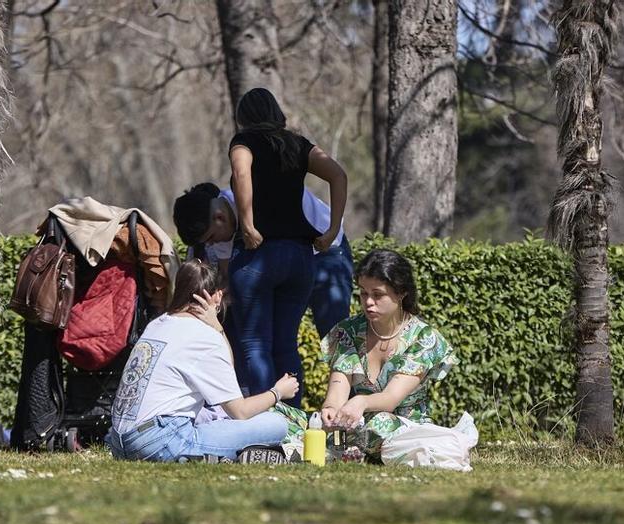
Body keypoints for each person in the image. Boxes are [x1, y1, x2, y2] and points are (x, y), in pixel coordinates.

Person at [225, 88, 348, 406]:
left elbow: (241, 172)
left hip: (257, 255)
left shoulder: (244, 142)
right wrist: (332, 229)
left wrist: (248, 224)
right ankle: (290, 423)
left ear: (244, 117)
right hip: (299, 256)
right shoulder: (297, 144)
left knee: (254, 343)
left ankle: (263, 420)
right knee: (285, 345)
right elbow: (338, 174)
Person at [104, 259, 298, 462]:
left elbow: (224, 379)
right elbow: (240, 411)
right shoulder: (205, 337)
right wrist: (277, 392)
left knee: (214, 412)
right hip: (161, 441)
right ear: (218, 295)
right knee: (276, 424)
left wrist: (217, 329)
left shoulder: (157, 324)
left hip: (120, 441)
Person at [314, 249, 457, 459]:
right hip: (357, 423)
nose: (368, 301)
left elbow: (391, 399)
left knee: (381, 422)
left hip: (401, 428)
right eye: (363, 293)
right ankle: (343, 447)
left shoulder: (423, 338)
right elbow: (339, 387)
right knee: (284, 414)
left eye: (378, 294)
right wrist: (331, 409)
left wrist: (361, 402)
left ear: (400, 293)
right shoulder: (348, 331)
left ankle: (342, 448)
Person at [172, 181, 354, 339]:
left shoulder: (255, 197)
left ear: (220, 217)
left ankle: (354, 379)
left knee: (335, 334)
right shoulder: (223, 225)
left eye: (211, 237)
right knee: (281, 340)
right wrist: (217, 301)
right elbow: (229, 278)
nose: (211, 244)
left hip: (326, 247)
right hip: (295, 258)